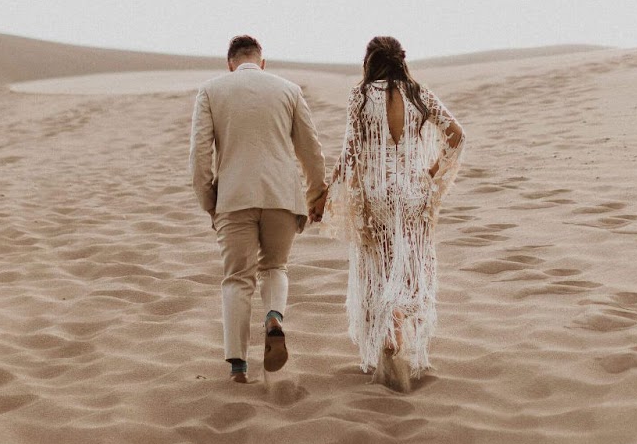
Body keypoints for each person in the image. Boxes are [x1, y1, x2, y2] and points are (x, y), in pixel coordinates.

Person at [314, 36, 464, 392]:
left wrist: (326, 194)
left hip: (376, 194)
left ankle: (390, 331)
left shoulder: (362, 96)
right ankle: (398, 322)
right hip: (414, 192)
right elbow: (457, 136)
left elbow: (350, 153)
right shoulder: (418, 94)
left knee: (380, 268)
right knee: (412, 265)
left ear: (371, 61)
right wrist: (432, 172)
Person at [191, 35, 327, 383]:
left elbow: (199, 156)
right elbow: (311, 150)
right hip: (282, 195)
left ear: (230, 63)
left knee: (237, 278)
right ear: (262, 62)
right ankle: (273, 316)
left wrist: (210, 203)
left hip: (234, 198)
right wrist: (316, 196)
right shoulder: (288, 90)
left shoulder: (211, 91)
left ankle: (238, 366)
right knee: (275, 266)